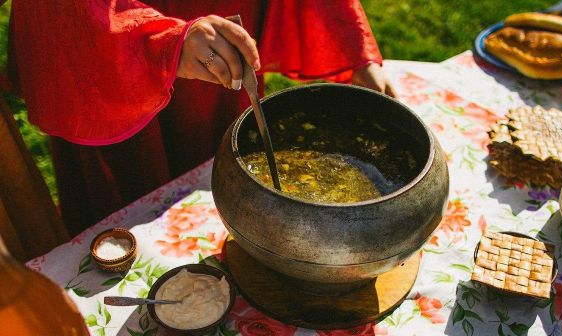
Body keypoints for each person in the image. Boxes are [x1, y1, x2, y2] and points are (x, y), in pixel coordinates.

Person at [9, 0, 398, 235]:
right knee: (130, 202)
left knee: (224, 160)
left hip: (218, 37)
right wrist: (154, 44)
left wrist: (352, 44)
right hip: (106, 51)